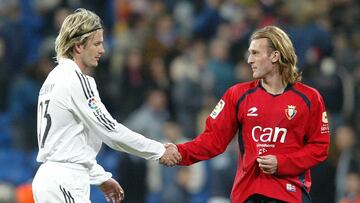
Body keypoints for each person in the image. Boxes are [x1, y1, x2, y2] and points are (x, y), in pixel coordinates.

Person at [32, 8, 181, 203]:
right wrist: (158, 150)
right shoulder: (76, 80)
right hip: (65, 181)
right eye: (97, 43)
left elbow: (70, 143)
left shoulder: (53, 79)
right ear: (78, 46)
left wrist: (100, 177)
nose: (102, 50)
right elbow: (110, 130)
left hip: (52, 178)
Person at [167, 25, 331, 202]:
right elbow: (212, 140)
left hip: (289, 193)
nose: (249, 60)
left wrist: (282, 163)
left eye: (255, 53)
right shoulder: (237, 95)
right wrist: (179, 152)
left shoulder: (309, 98)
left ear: (275, 56)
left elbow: (319, 147)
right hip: (248, 193)